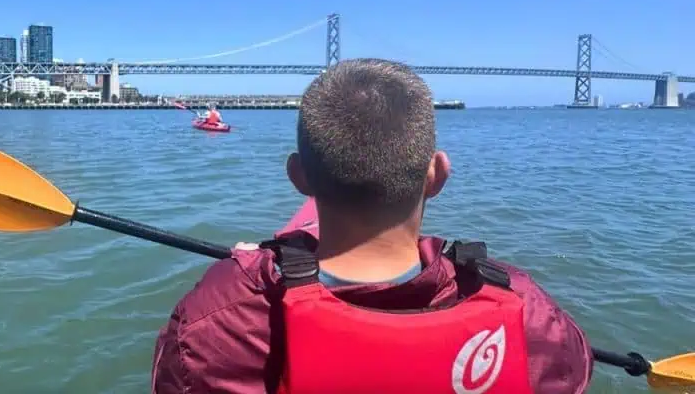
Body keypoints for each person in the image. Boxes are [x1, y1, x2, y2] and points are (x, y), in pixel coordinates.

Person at [151, 58, 593, 393]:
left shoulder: (217, 318)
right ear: (436, 175)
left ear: (298, 177)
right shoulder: (527, 312)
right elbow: (574, 371)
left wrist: (245, 276)